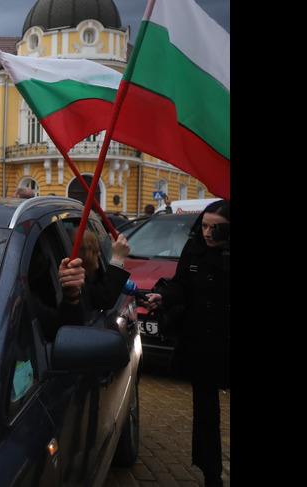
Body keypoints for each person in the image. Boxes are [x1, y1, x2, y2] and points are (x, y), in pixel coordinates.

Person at [141, 199, 229, 487]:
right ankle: (211, 473)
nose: (206, 233)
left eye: (215, 229)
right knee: (206, 414)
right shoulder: (194, 249)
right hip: (202, 343)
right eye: (203, 225)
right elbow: (183, 285)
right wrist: (164, 296)